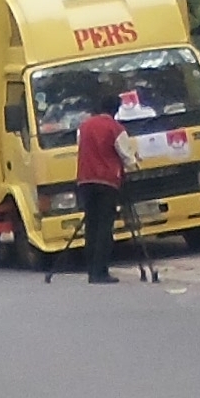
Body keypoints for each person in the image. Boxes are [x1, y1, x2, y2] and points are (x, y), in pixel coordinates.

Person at [74, 89, 138, 285]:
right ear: (115, 110)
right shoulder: (116, 128)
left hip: (85, 180)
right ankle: (100, 271)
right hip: (107, 182)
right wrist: (134, 162)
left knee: (91, 225)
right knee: (104, 227)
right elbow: (127, 157)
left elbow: (82, 147)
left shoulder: (83, 127)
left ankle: (91, 268)